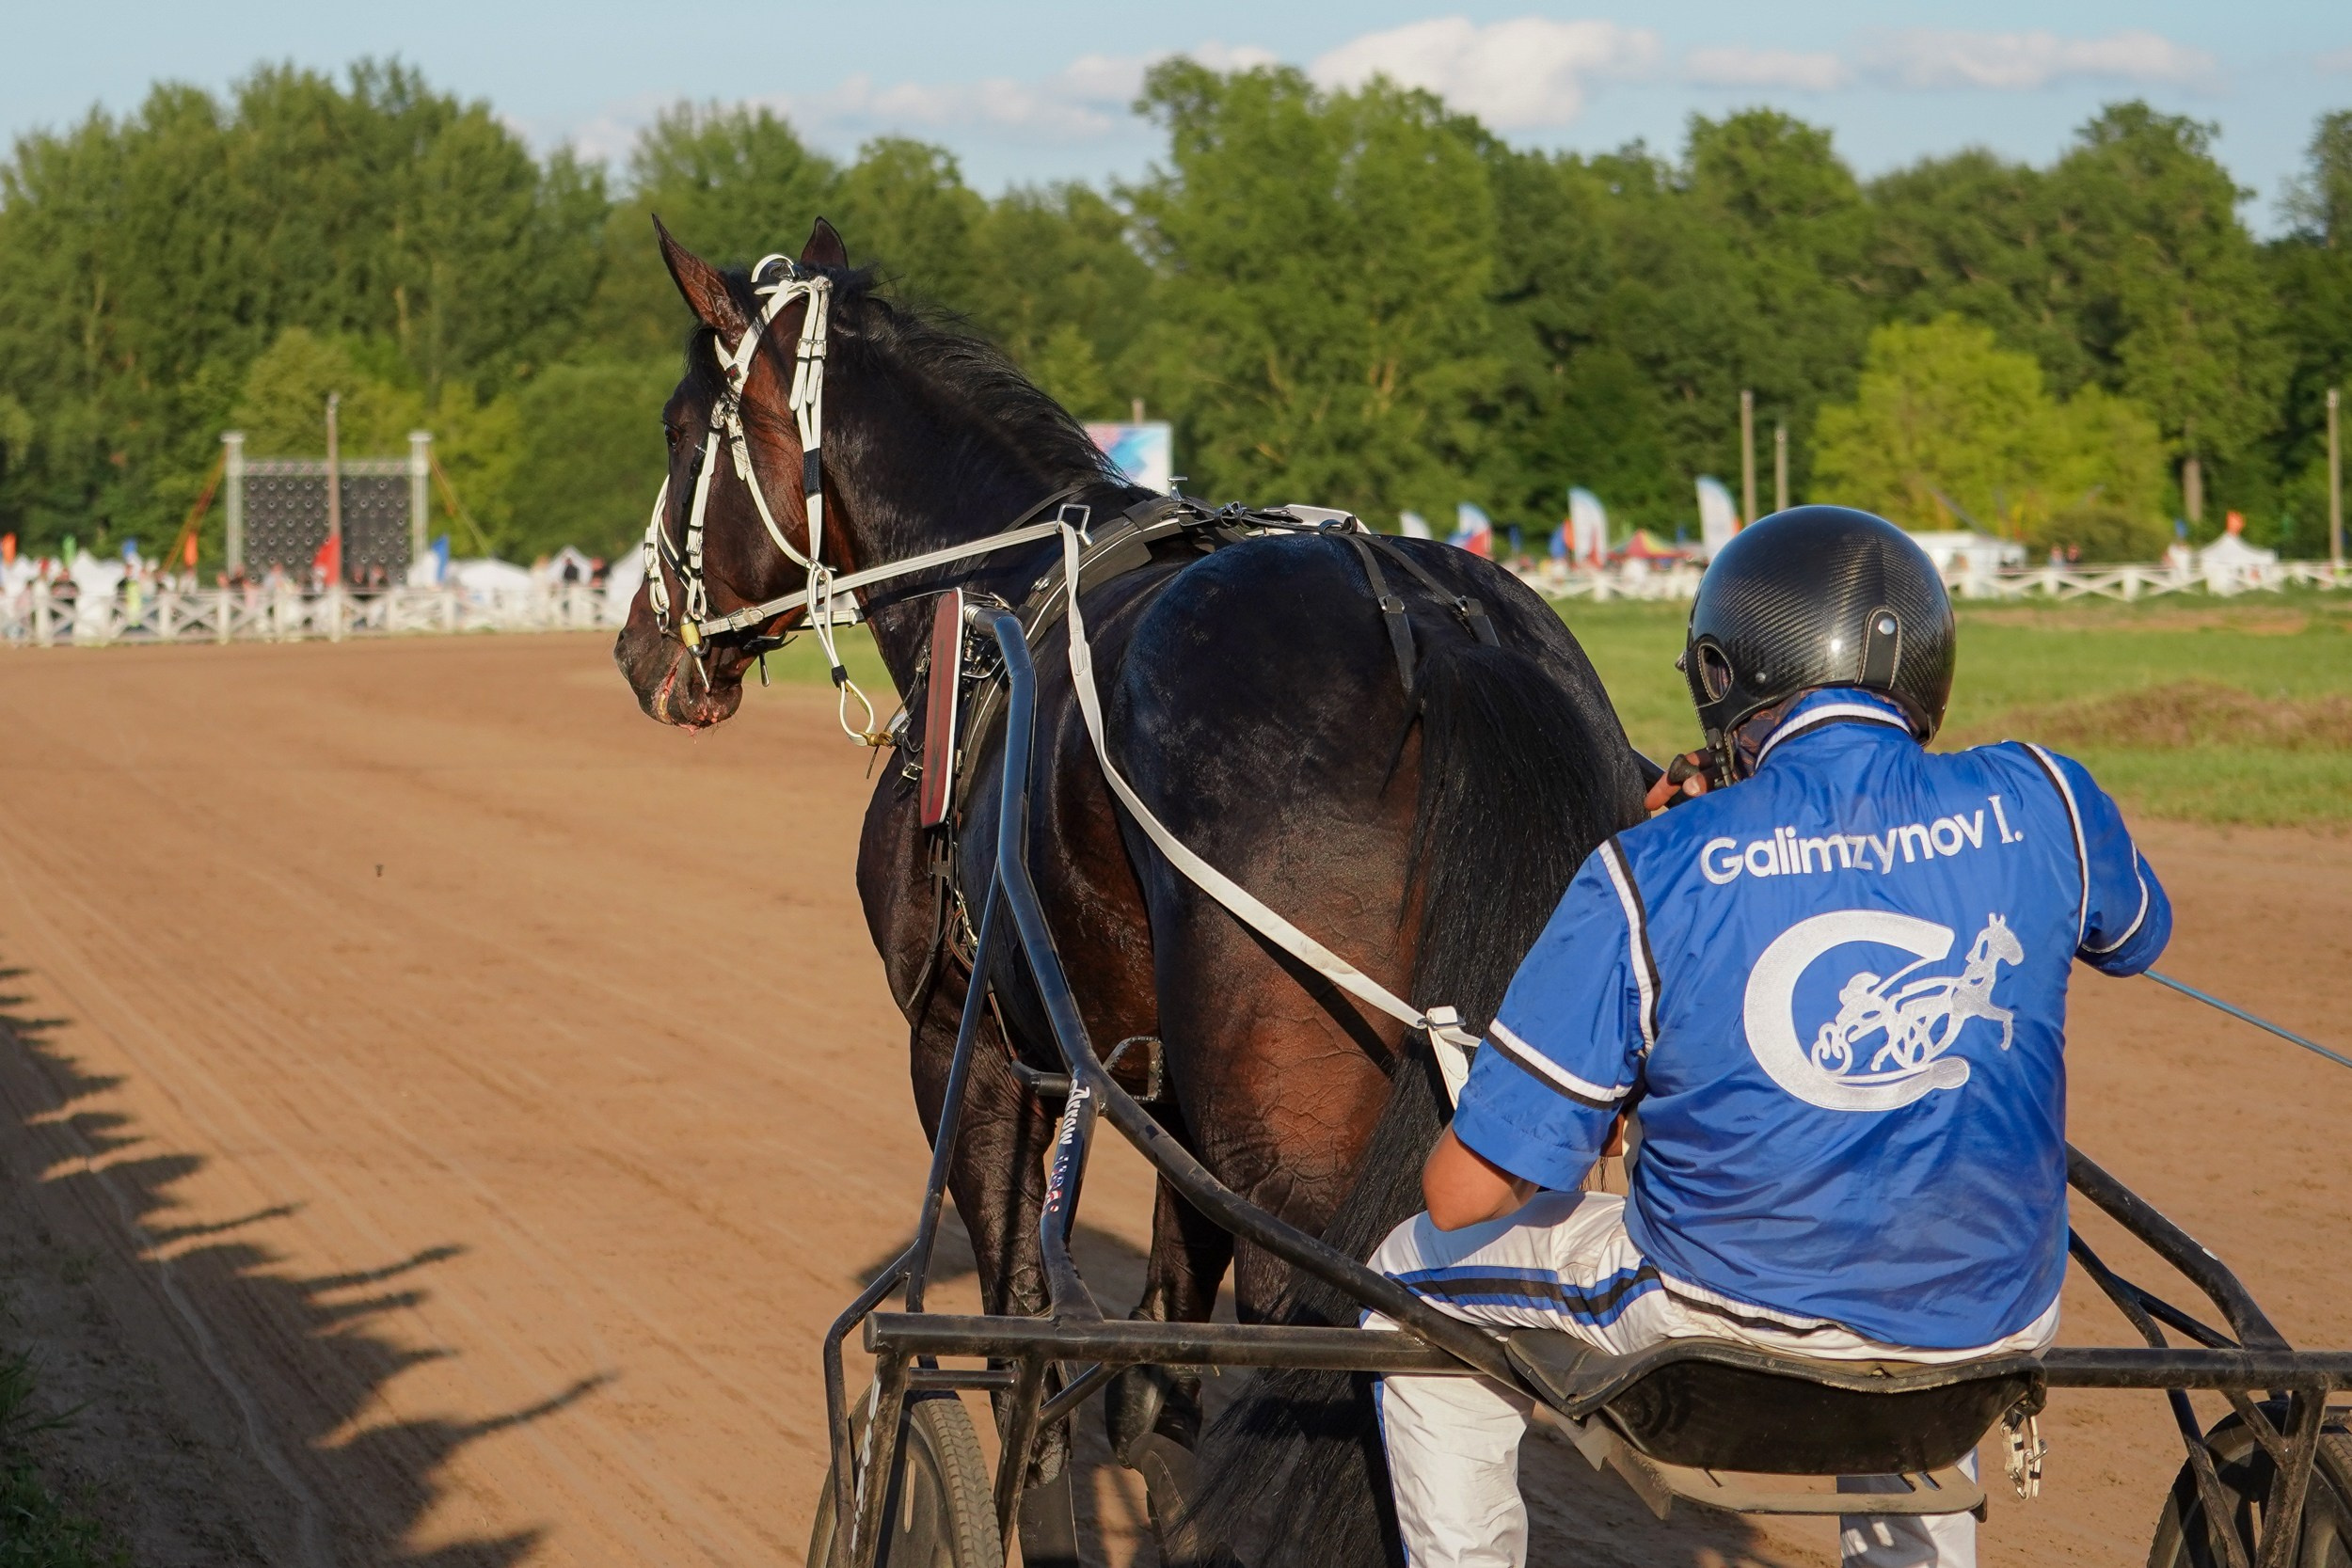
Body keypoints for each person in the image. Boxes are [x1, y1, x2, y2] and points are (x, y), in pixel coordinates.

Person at [1372, 506, 2170, 1568]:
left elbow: (1464, 1193)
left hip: (1728, 1325)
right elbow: (2136, 936)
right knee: (1905, 1257)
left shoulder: (1648, 866)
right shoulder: (2047, 793)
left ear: (1724, 671)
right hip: (1997, 1322)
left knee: (1413, 1274)